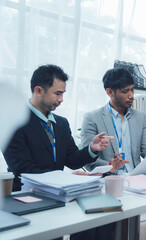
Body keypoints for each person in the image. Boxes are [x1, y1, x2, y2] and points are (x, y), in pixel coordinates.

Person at [2, 64, 123, 240]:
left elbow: (72, 160)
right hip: (27, 198)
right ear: (38, 90)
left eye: (63, 94)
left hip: (59, 196)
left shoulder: (61, 123)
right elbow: (23, 169)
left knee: (96, 221)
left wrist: (92, 149)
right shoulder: (13, 122)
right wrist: (67, 179)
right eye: (57, 93)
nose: (61, 99)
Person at [81, 67, 146, 240]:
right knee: (104, 227)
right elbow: (87, 161)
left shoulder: (140, 117)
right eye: (125, 91)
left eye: (132, 90)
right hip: (109, 186)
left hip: (137, 182)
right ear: (110, 92)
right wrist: (109, 167)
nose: (131, 95)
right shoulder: (92, 118)